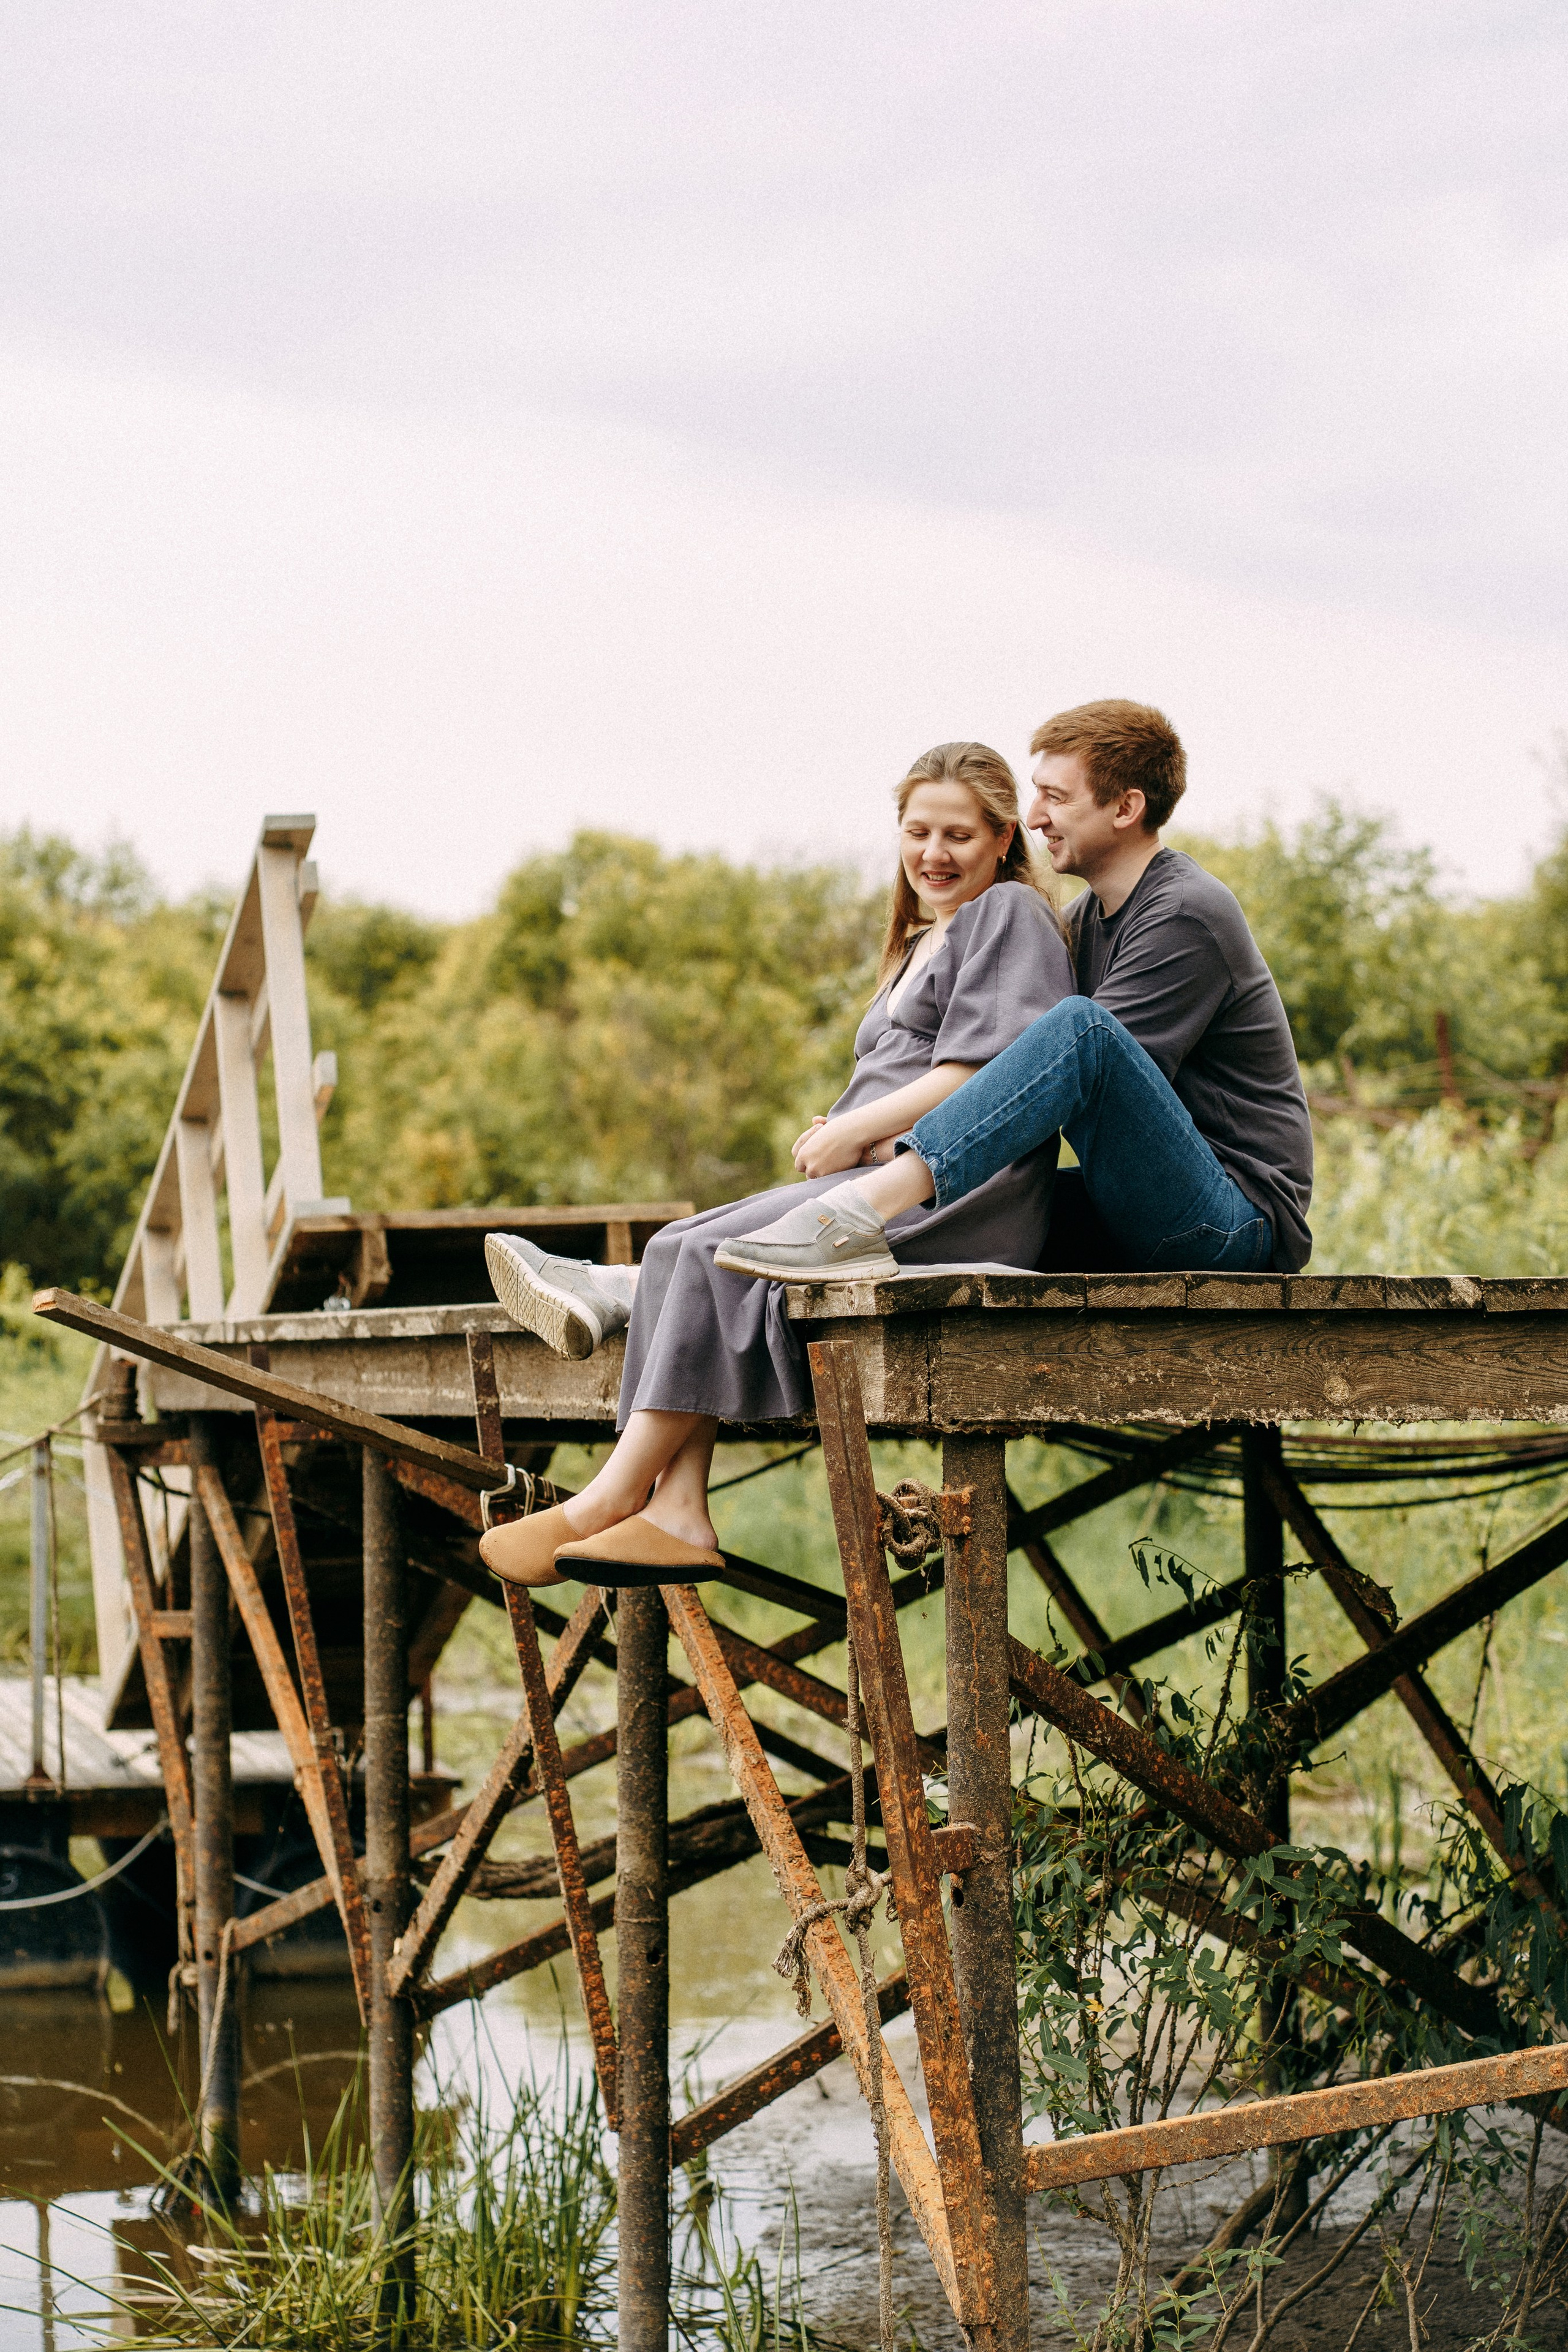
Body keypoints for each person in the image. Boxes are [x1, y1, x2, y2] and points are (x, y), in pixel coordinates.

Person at [478, 741, 1074, 1588]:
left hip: (954, 1192)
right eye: (918, 833)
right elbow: (911, 1071)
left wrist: (857, 1130)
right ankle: (677, 1507)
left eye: (958, 836)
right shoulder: (921, 939)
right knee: (678, 1247)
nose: (934, 855)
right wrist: (850, 1128)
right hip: (877, 1176)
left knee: (713, 1254)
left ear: (1004, 837)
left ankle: (606, 1498)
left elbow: (983, 1074)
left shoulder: (1007, 914)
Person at [722, 699, 1313, 1284]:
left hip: (1232, 1218)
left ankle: (857, 1214)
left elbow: (1072, 1079)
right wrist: (859, 1131)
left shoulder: (1185, 912)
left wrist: (872, 1147)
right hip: (1129, 1195)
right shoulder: (1081, 923)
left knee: (1082, 1030)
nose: (1033, 817)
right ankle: (745, 1256)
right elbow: (1021, 1074)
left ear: (1126, 807)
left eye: (1056, 796)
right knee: (976, 1209)